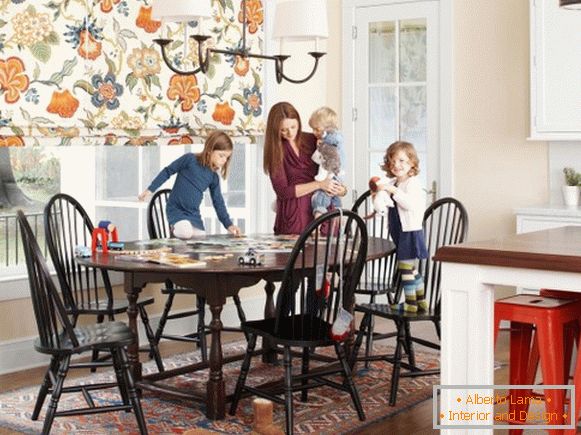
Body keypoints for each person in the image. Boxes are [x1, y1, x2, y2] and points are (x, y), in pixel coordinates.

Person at [138, 130, 241, 239]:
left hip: (193, 214)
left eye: (227, 157)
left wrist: (228, 225)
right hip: (176, 209)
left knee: (201, 239)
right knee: (185, 232)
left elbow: (218, 202)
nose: (224, 160)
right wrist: (150, 189)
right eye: (221, 155)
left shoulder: (213, 177)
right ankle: (174, 230)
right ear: (210, 150)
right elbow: (168, 171)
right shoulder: (190, 159)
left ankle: (180, 253)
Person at [263, 102, 345, 235]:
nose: (290, 133)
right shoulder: (275, 151)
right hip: (294, 217)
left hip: (323, 212)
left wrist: (341, 189)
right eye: (283, 130)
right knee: (295, 254)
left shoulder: (313, 139)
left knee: (327, 254)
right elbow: (283, 192)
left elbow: (334, 166)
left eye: (293, 127)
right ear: (275, 129)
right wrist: (319, 185)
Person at [377, 141, 429, 313]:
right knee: (410, 268)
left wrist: (393, 191)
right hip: (398, 231)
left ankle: (410, 303)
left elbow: (410, 204)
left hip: (410, 231)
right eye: (393, 162)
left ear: (412, 163)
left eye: (402, 161)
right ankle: (421, 300)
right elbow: (385, 204)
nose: (396, 165)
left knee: (405, 267)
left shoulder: (412, 183)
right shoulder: (393, 182)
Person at [308, 106, 346, 219]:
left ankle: (318, 221)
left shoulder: (333, 138)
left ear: (328, 128)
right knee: (333, 197)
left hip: (333, 173)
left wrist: (323, 141)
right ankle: (340, 219)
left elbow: (328, 156)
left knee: (321, 195)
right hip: (337, 173)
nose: (314, 132)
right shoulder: (327, 140)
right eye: (313, 129)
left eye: (317, 129)